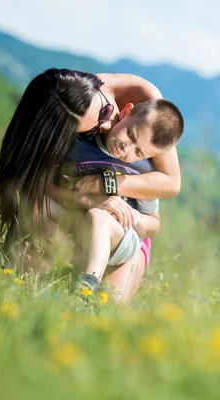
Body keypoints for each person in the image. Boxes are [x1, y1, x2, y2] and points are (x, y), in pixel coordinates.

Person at [0, 68, 182, 302]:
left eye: (104, 112)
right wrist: (87, 199)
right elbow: (36, 186)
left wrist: (107, 184)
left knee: (107, 304)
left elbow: (171, 185)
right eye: (90, 131)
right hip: (72, 215)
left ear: (125, 110)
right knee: (27, 277)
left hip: (120, 231)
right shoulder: (72, 133)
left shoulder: (148, 106)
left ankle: (87, 280)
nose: (105, 126)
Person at [51, 98, 184, 296]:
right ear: (125, 112)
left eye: (138, 152)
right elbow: (47, 187)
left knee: (99, 217)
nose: (126, 149)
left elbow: (153, 225)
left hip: (119, 236)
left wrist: (131, 215)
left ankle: (88, 283)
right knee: (42, 205)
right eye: (130, 134)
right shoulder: (80, 144)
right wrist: (89, 200)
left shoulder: (142, 171)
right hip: (75, 220)